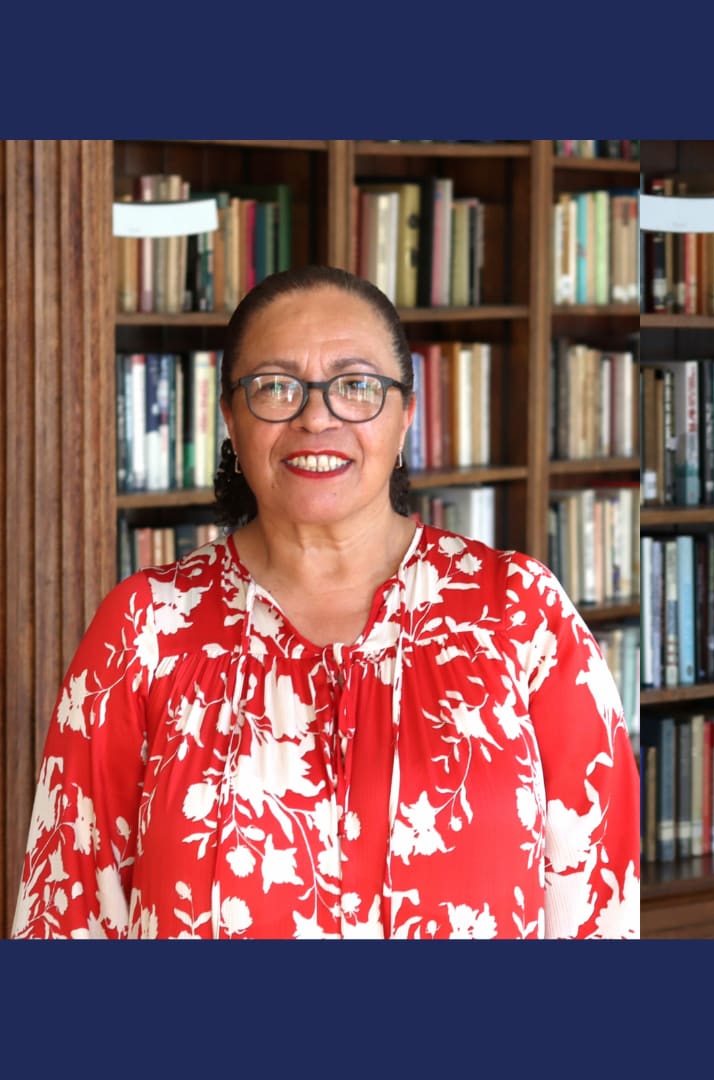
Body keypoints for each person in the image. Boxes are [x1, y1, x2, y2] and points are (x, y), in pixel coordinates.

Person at [10, 266, 640, 939]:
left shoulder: (518, 612)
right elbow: (66, 910)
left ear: (405, 415)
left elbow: (602, 908)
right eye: (276, 387)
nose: (316, 417)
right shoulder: (147, 629)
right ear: (230, 417)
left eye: (356, 386)